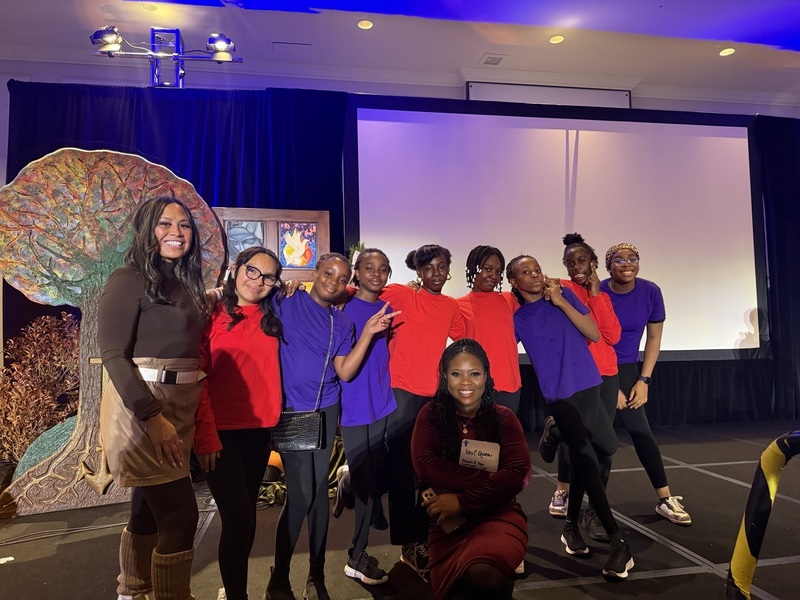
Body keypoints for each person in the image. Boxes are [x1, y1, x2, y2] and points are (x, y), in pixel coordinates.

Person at [266, 252, 397, 600]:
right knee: (302, 495)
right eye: (328, 274)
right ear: (315, 272)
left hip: (326, 409)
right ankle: (278, 578)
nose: (333, 282)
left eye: (340, 279)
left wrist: (368, 333)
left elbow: (345, 371)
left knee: (319, 500)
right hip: (293, 413)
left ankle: (316, 576)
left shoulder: (342, 324)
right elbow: (245, 296)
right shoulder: (285, 300)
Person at [99, 197, 211, 600]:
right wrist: (150, 415)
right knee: (181, 514)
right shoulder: (127, 279)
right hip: (143, 404)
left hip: (179, 402)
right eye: (165, 224)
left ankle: (132, 588)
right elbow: (113, 354)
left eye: (184, 226)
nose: (177, 233)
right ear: (147, 230)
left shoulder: (185, 283)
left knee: (148, 501)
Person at [506, 254, 634, 580]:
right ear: (515, 283)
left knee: (607, 448)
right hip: (559, 396)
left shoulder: (566, 295)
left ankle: (556, 436)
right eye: (525, 272)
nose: (534, 275)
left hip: (589, 383)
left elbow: (592, 332)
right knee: (586, 456)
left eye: (536, 269)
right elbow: (497, 344)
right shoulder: (518, 318)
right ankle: (619, 544)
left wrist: (561, 301)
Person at [194, 247, 284, 600]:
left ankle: (233, 588)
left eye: (269, 276)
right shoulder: (210, 312)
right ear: (235, 269)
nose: (259, 282)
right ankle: (237, 596)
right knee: (238, 515)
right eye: (252, 271)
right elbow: (197, 377)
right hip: (220, 432)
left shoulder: (274, 313)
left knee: (245, 516)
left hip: (259, 430)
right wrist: (204, 436)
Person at [411, 339, 530, 600]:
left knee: (488, 576)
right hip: (448, 522)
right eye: (456, 374)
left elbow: (519, 474)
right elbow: (426, 465)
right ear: (445, 376)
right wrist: (492, 479)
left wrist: (462, 501)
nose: (466, 382)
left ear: (486, 376)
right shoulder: (430, 415)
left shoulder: (504, 417)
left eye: (474, 374)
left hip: (497, 515)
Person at [378, 244, 466, 581]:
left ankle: (426, 536)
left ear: (449, 270)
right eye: (429, 267)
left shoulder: (450, 306)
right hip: (400, 390)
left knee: (430, 470)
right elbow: (359, 292)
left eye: (442, 266)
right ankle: (408, 543)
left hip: (434, 395)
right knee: (402, 468)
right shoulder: (400, 294)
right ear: (418, 271)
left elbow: (465, 336)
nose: (436, 272)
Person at [600, 243, 692, 526]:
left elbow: (653, 339)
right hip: (598, 368)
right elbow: (588, 340)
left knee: (641, 431)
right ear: (608, 266)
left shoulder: (651, 291)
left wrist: (644, 380)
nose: (627, 264)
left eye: (633, 259)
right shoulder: (599, 292)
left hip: (629, 368)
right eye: (619, 260)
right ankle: (565, 492)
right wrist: (607, 386)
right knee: (588, 434)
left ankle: (665, 498)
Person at [547, 233, 622, 542]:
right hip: (581, 379)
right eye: (569, 263)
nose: (575, 267)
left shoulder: (600, 294)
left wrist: (596, 295)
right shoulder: (561, 289)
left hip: (608, 375)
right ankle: (573, 520)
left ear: (593, 263)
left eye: (581, 261)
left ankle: (591, 509)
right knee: (591, 448)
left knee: (604, 449)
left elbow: (612, 336)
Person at [338, 248, 397, 585]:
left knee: (377, 475)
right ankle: (356, 556)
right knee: (365, 487)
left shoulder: (388, 306)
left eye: (383, 268)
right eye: (369, 267)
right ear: (357, 272)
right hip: (355, 406)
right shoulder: (343, 307)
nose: (377, 273)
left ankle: (352, 481)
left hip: (383, 403)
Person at [456, 246, 522, 415]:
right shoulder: (457, 305)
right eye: (488, 269)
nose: (494, 275)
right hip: (475, 386)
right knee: (476, 440)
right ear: (473, 269)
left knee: (504, 439)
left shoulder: (510, 299)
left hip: (509, 383)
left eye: (498, 271)